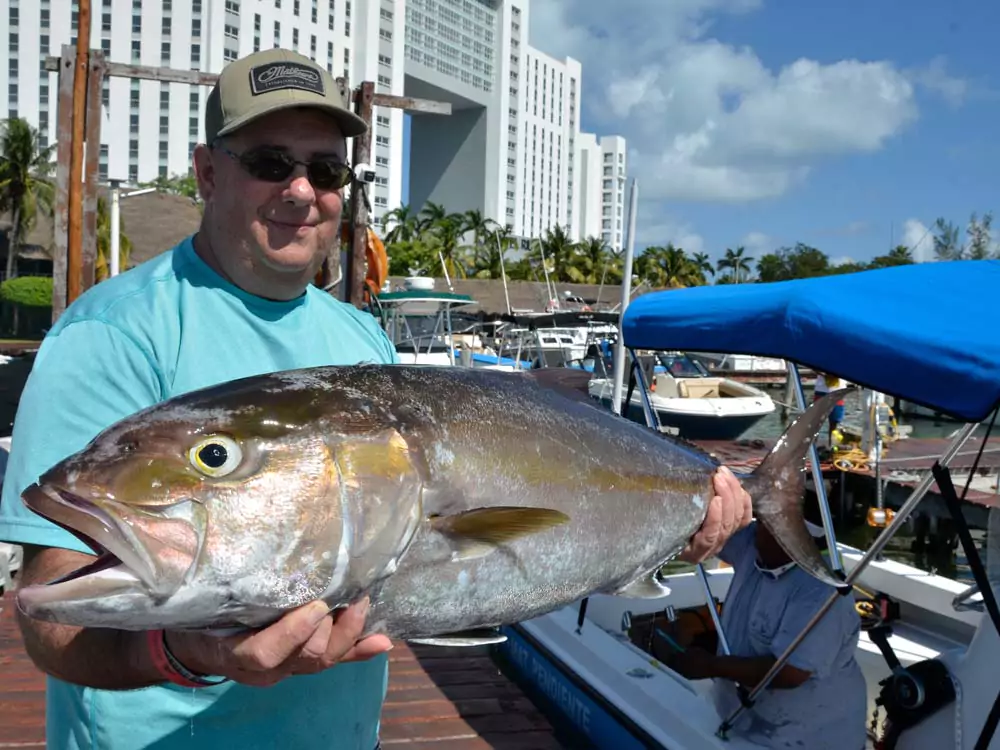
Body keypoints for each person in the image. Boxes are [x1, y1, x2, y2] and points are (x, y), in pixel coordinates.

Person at [0, 48, 753, 750]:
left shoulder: (360, 336)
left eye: (326, 172)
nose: (301, 191)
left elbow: (469, 548)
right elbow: (47, 619)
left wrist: (669, 522)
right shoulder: (113, 335)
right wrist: (185, 651)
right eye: (270, 163)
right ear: (205, 172)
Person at [662, 519, 868, 750]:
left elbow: (789, 673)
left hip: (808, 740)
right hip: (742, 725)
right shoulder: (755, 543)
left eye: (773, 524)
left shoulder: (822, 589)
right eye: (763, 521)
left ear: (801, 539)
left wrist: (711, 666)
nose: (759, 530)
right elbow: (705, 534)